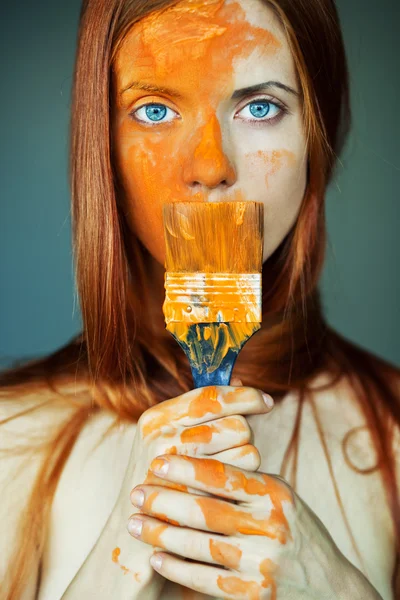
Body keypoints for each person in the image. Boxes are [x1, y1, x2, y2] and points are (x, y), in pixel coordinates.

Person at [1, 0, 399, 598]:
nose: (211, 166)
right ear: (100, 144)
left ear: (319, 134)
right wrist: (121, 554)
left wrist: (338, 587)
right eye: (155, 109)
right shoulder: (9, 437)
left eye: (260, 107)